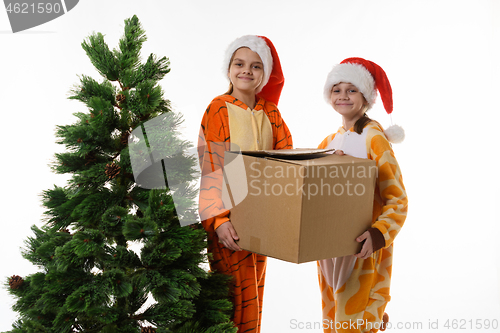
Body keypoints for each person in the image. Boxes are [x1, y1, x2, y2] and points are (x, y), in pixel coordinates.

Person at [197, 35, 293, 332]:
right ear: (229, 69)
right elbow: (209, 166)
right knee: (230, 301)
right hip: (228, 223)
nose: (246, 71)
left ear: (264, 74)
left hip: (261, 222)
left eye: (255, 66)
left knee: (253, 297)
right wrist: (218, 220)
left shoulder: (272, 114)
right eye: (239, 64)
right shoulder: (219, 108)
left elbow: (289, 163)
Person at [317, 57, 408, 333]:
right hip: (330, 252)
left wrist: (379, 233)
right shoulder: (328, 142)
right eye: (337, 89)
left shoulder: (373, 138)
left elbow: (397, 199)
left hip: (362, 250)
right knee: (332, 324)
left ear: (366, 96)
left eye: (351, 89)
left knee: (356, 324)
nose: (343, 95)